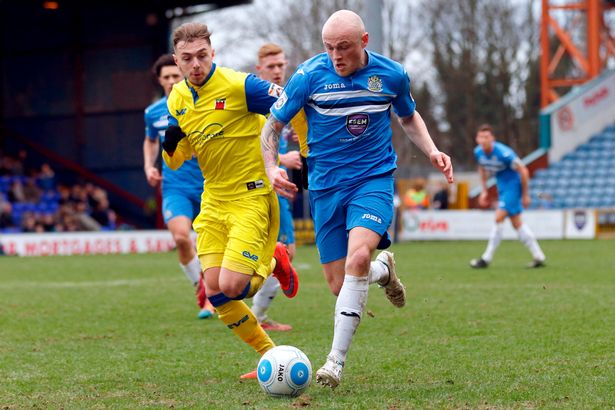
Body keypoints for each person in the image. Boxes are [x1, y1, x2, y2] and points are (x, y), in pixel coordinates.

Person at [260, 10, 454, 389]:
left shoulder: (391, 75)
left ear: (363, 42)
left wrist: (431, 150)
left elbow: (408, 117)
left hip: (373, 180)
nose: (336, 56)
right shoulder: (309, 76)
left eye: (344, 47)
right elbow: (273, 124)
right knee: (339, 283)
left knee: (358, 257)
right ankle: (385, 271)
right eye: (329, 48)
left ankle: (334, 362)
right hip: (326, 188)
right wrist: (271, 167)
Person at [161, 22, 299, 377]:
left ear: (213, 54)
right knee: (215, 292)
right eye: (187, 58)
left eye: (202, 56)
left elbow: (291, 104)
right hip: (214, 202)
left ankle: (274, 258)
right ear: (176, 60)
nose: (195, 65)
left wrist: (305, 153)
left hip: (251, 197)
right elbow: (178, 159)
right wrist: (172, 142)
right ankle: (269, 356)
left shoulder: (241, 86)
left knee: (234, 285)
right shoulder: (176, 98)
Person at [143, 54, 215, 319]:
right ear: (159, 81)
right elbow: (150, 140)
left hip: (211, 184)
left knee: (217, 246)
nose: (172, 81)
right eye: (166, 78)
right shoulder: (153, 113)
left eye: (176, 75)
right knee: (182, 238)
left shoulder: (204, 103)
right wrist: (149, 166)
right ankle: (202, 287)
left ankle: (217, 292)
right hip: (176, 187)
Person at [250, 43, 302, 332]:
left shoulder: (283, 100)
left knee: (281, 251)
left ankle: (257, 314)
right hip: (263, 187)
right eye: (271, 66)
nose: (278, 70)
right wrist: (284, 157)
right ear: (259, 69)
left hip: (276, 187)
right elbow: (251, 147)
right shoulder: (257, 100)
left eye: (281, 65)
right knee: (284, 252)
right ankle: (255, 316)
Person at [469, 124, 546, 269]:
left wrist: (525, 195)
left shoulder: (504, 153)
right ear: (477, 139)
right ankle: (539, 256)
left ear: (492, 138)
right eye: (481, 137)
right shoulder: (478, 152)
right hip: (502, 187)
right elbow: (482, 169)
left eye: (486, 137)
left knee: (498, 217)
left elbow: (523, 170)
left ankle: (486, 258)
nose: (483, 140)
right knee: (517, 223)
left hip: (513, 186)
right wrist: (484, 191)